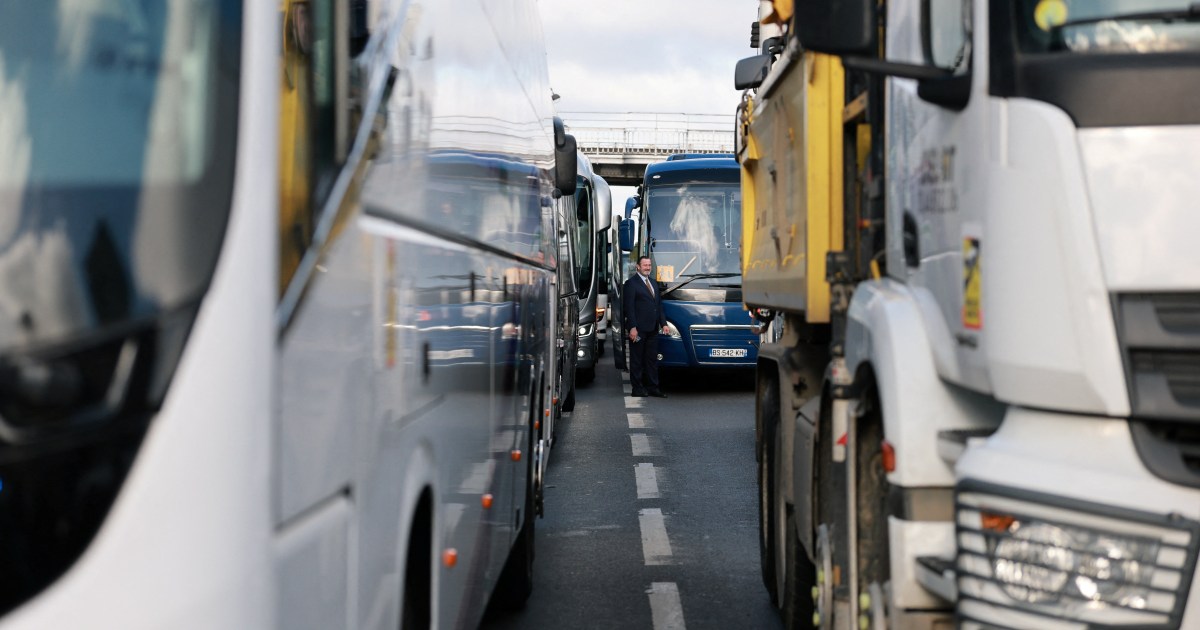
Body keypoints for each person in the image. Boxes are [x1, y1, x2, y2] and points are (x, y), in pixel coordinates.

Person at [623, 256, 669, 398]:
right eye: (645, 265)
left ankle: (653, 388)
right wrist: (632, 327)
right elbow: (629, 308)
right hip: (638, 330)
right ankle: (637, 389)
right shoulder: (631, 284)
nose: (648, 267)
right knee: (637, 360)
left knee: (651, 360)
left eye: (649, 265)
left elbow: (658, 306)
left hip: (653, 329)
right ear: (638, 266)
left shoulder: (653, 283)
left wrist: (664, 324)